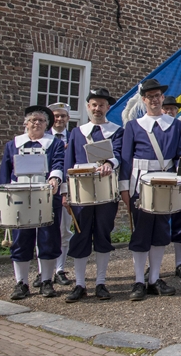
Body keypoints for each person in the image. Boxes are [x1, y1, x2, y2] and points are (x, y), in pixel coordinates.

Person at [120, 78, 181, 301]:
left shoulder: (176, 125)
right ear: (144, 100)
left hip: (167, 183)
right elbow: (126, 160)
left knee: (160, 234)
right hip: (140, 185)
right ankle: (139, 280)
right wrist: (124, 190)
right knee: (141, 234)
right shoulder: (133, 126)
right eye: (150, 97)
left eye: (158, 96)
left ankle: (154, 278)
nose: (155, 100)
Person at [0, 105, 65, 300]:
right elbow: (4, 171)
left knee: (48, 238)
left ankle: (46, 281)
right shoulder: (13, 144)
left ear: (46, 125)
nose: (37, 123)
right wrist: (3, 197)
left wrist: (55, 178)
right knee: (21, 240)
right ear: (25, 124)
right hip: (19, 197)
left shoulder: (54, 143)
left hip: (45, 195)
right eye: (33, 120)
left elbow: (59, 163)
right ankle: (22, 283)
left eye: (41, 121)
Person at [64, 89, 122, 302]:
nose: (98, 109)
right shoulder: (77, 133)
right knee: (80, 236)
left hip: (106, 191)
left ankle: (100, 282)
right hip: (82, 193)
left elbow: (120, 154)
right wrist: (65, 193)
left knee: (103, 235)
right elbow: (67, 163)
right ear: (88, 107)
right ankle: (80, 284)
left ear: (108, 108)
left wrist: (109, 163)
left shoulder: (116, 131)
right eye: (94, 105)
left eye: (102, 105)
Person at [162, 95, 181, 279]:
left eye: (172, 109)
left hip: (177, 177)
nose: (169, 111)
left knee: (180, 220)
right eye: (166, 109)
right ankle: (151, 264)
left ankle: (180, 262)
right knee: (156, 221)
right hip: (157, 178)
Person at [46, 102, 73, 287]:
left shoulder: (74, 137)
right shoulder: (44, 139)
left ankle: (60, 269)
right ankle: (43, 272)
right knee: (45, 231)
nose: (59, 119)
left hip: (66, 190)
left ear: (68, 119)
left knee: (64, 230)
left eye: (63, 116)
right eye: (56, 116)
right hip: (47, 190)